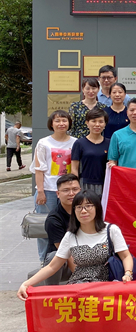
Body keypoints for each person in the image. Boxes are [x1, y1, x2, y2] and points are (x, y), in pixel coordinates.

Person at [17, 190, 135, 301]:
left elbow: (125, 256)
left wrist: (128, 274)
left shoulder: (111, 230)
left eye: (88, 206)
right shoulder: (70, 236)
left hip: (107, 286)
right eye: (79, 207)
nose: (83, 211)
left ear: (97, 208)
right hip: (79, 287)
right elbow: (52, 267)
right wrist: (26, 284)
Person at [32, 110, 77, 262]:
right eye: (57, 121)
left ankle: (70, 261)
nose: (61, 123)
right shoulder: (43, 143)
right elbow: (39, 169)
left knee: (70, 225)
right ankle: (44, 260)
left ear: (69, 123)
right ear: (51, 124)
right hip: (48, 190)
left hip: (69, 191)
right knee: (45, 227)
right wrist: (40, 191)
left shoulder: (75, 142)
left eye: (64, 120)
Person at [41, 174, 81, 284]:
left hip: (86, 255)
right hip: (64, 263)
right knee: (53, 256)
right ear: (58, 194)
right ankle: (52, 290)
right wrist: (82, 278)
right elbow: (65, 252)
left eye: (75, 189)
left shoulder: (87, 211)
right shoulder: (54, 219)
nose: (71, 193)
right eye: (66, 190)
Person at [70, 108, 110, 195]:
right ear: (87, 123)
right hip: (84, 184)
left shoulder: (109, 143)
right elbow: (74, 168)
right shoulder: (79, 143)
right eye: (93, 121)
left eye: (101, 121)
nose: (97, 124)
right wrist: (75, 186)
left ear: (105, 124)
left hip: (105, 184)